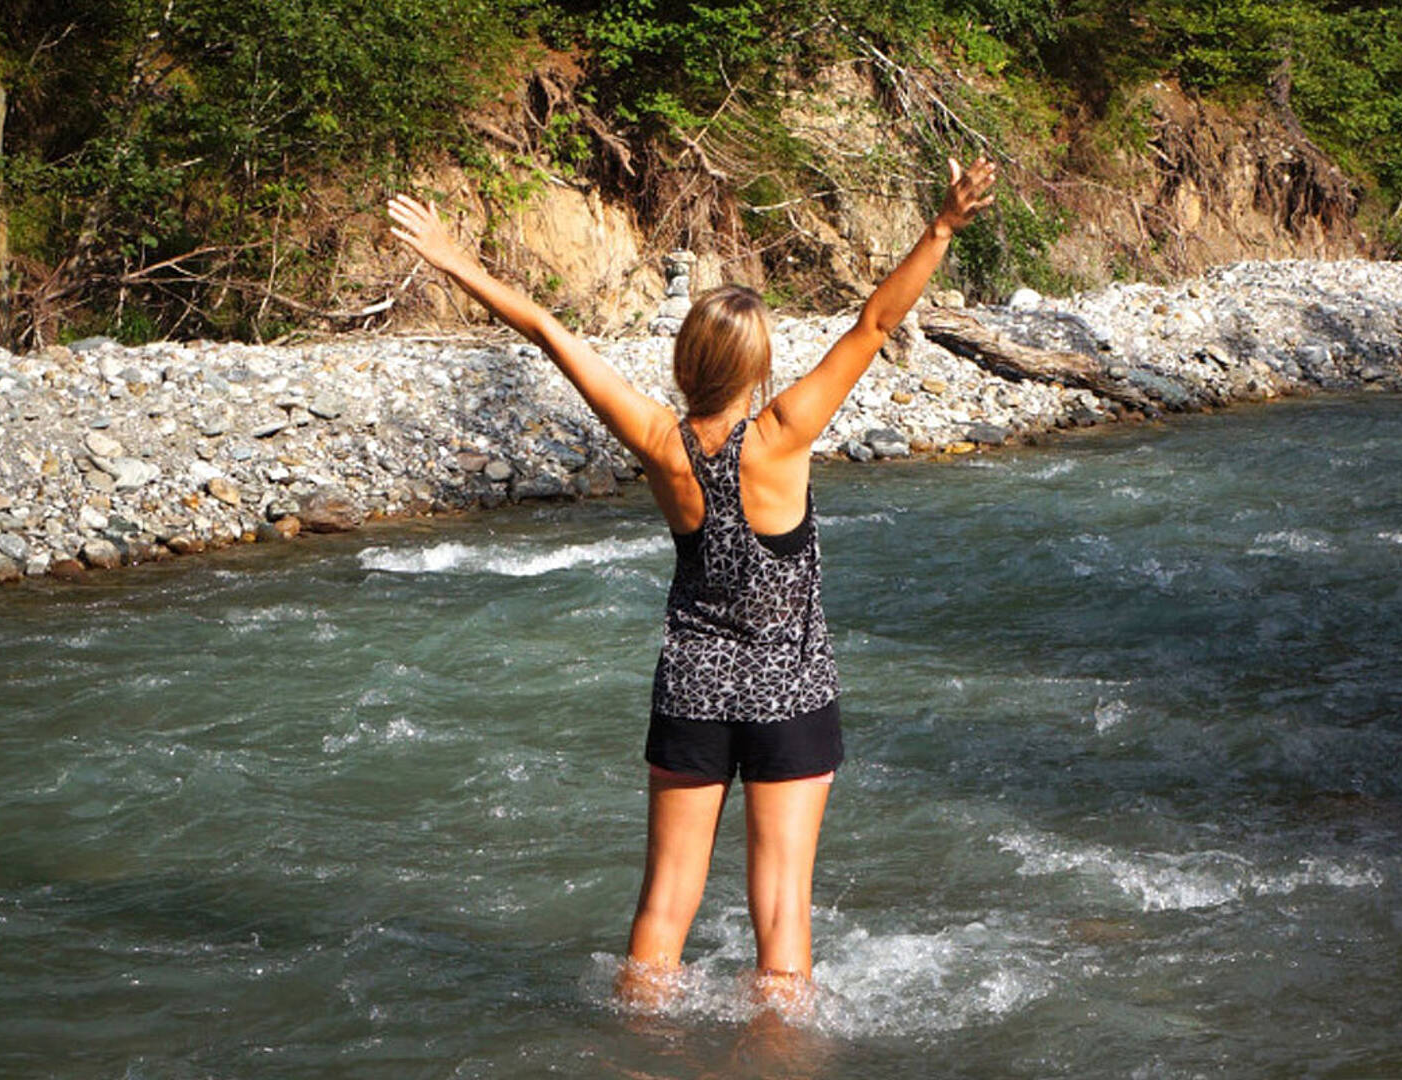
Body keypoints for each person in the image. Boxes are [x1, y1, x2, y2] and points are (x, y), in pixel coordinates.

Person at [386, 155, 997, 1011]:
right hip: (789, 690)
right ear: (755, 368)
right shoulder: (782, 432)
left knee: (664, 907)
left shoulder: (659, 439)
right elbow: (871, 325)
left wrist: (455, 260)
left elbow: (550, 334)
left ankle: (639, 1054)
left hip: (693, 689)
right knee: (781, 916)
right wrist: (939, 228)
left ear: (685, 363)